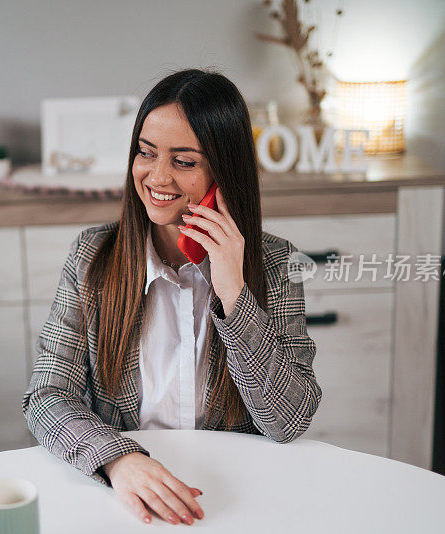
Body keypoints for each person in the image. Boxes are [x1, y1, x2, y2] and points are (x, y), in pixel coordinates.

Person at [21, 68, 321, 526]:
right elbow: (46, 396)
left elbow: (288, 420)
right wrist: (120, 461)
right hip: (127, 498)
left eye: (184, 161)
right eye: (146, 153)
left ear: (225, 172)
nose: (156, 176)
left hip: (238, 497)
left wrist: (234, 295)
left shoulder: (275, 263)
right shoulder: (92, 256)